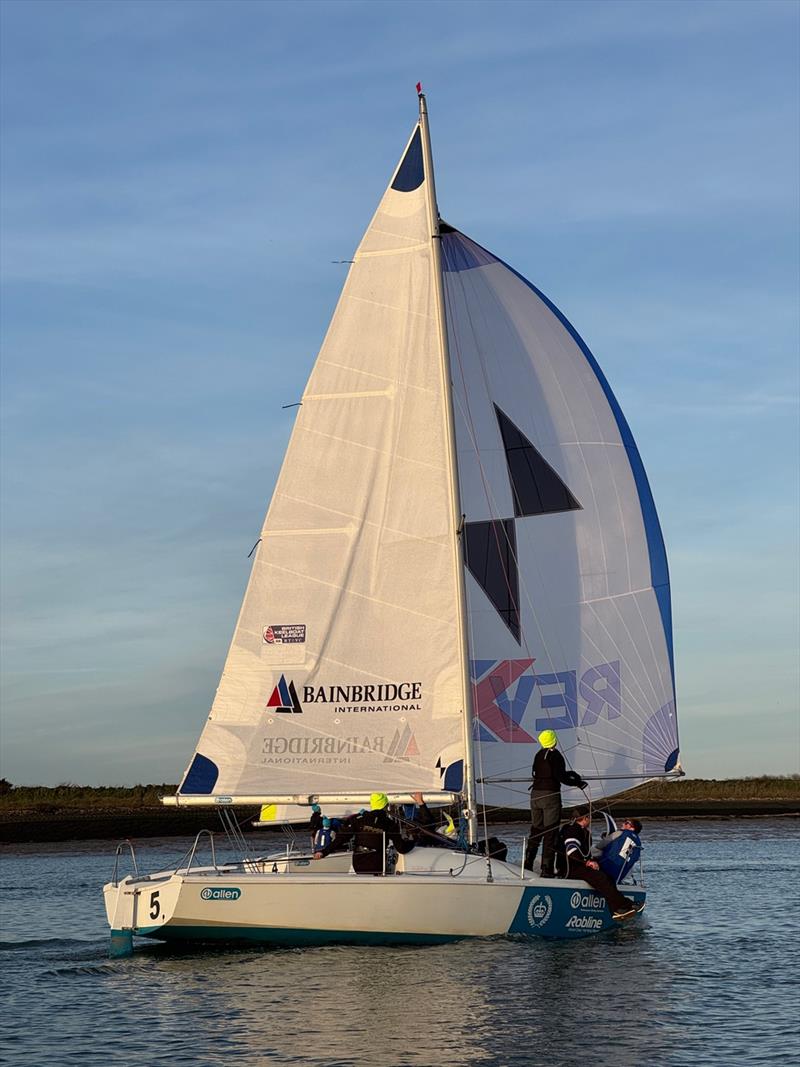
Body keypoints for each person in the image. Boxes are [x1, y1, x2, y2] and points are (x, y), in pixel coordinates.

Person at [524, 729, 587, 876]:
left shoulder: (539, 755)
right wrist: (577, 782)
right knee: (550, 832)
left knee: (537, 829)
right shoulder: (556, 755)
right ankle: (547, 869)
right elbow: (561, 777)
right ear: (554, 740)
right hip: (550, 796)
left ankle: (528, 862)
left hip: (535, 796)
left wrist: (571, 775)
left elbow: (536, 772)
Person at [559, 809, 641, 920]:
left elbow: (587, 852)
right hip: (572, 867)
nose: (591, 820)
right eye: (590, 817)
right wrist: (587, 862)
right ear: (585, 818)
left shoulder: (585, 832)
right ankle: (625, 905)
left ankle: (617, 910)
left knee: (608, 877)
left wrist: (593, 861)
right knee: (601, 878)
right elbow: (571, 850)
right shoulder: (573, 830)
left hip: (581, 865)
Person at [313, 792, 414, 873]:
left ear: (372, 805)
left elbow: (341, 838)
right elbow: (402, 848)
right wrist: (414, 841)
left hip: (358, 863)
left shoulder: (358, 819)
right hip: (377, 864)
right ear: (386, 805)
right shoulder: (390, 823)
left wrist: (323, 852)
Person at [597, 817, 643, 883]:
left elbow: (599, 846)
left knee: (592, 852)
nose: (623, 824)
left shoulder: (620, 833)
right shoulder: (638, 843)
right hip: (621, 874)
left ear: (632, 828)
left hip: (607, 866)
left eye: (626, 823)